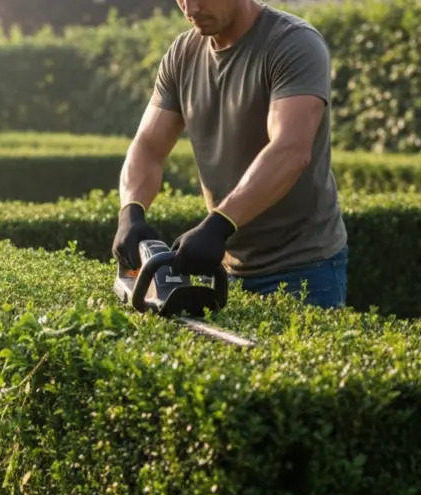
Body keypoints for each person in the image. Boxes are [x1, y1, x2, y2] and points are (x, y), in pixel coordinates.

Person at [112, 0, 349, 309]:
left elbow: (290, 149)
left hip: (303, 268)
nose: (191, 8)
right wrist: (130, 211)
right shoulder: (182, 54)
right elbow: (148, 146)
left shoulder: (293, 42)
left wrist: (219, 224)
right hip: (225, 265)